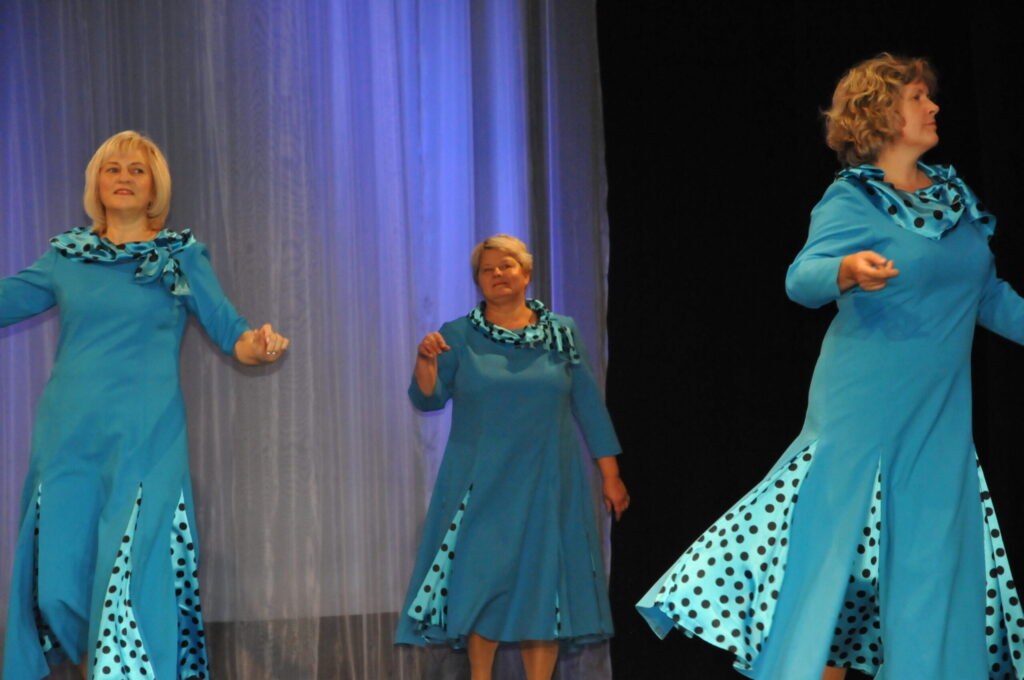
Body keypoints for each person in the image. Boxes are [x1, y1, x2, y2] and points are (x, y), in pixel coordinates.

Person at [636, 53, 1024, 680]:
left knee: (934, 572)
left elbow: (989, 297)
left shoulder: (955, 199)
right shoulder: (853, 199)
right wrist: (847, 269)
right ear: (882, 113)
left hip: (940, 421)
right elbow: (802, 279)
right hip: (862, 410)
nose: (933, 107)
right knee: (829, 567)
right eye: (918, 97)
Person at [0, 130, 289, 680]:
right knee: (59, 583)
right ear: (97, 184)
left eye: (138, 170)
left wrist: (262, 344)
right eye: (113, 169)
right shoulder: (66, 256)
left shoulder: (179, 256)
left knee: (129, 581)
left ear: (155, 187)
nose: (125, 178)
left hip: (147, 440)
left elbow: (234, 333)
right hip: (67, 439)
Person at [395, 234, 628, 680]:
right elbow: (429, 399)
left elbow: (588, 405)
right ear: (478, 281)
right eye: (488, 269)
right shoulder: (457, 335)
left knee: (542, 583)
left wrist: (610, 474)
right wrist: (425, 363)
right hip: (480, 483)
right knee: (483, 583)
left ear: (526, 273)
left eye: (506, 265)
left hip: (548, 481)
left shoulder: (561, 332)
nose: (498, 274)